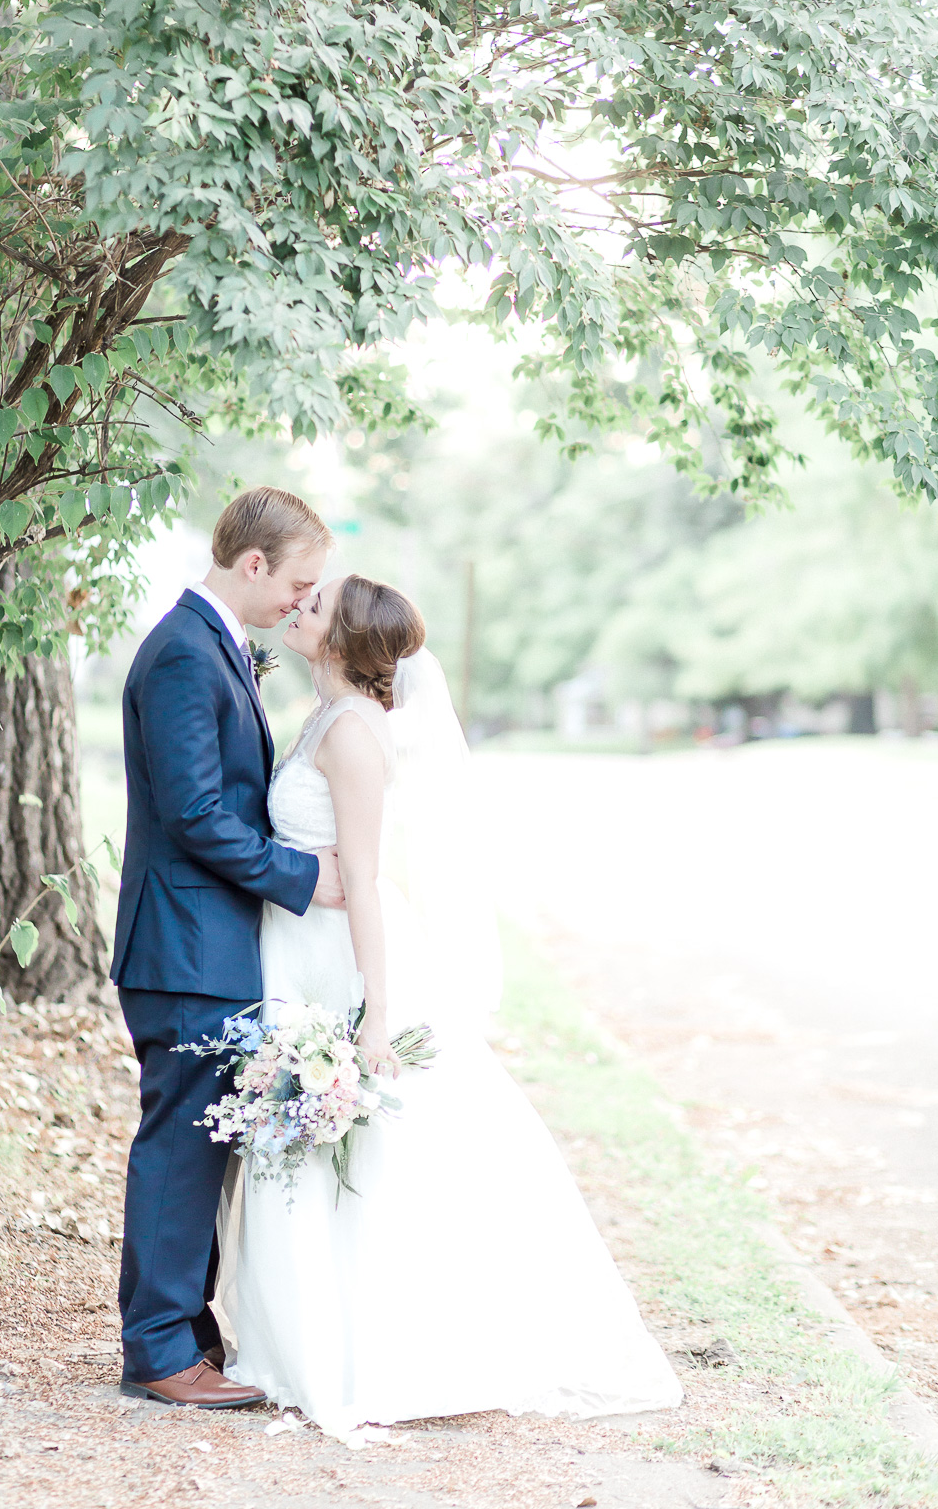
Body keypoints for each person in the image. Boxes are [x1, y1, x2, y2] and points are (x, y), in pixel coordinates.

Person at [214, 573, 684, 1436]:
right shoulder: (324, 715)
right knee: (315, 1151)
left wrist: (376, 1015)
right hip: (297, 949)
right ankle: (307, 1340)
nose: (297, 608)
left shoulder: (356, 734)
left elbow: (363, 880)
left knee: (363, 1148)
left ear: (348, 643)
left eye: (314, 606)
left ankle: (376, 1349)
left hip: (343, 962)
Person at [112, 487, 348, 1409]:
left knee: (202, 1150)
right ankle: (161, 1352)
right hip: (183, 946)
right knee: (180, 1150)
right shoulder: (181, 654)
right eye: (298, 582)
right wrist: (302, 876)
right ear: (254, 566)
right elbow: (197, 815)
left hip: (209, 945)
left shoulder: (214, 646)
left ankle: (187, 1336)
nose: (302, 599)